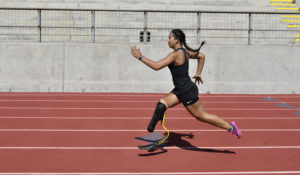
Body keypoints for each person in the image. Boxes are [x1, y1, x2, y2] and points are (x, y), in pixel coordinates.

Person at [130, 29, 241, 139]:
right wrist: (198, 73)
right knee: (161, 105)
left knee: (202, 116)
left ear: (177, 40)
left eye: (170, 38)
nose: (167, 40)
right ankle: (152, 127)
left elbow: (156, 66)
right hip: (180, 90)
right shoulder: (185, 52)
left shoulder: (175, 55)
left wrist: (140, 57)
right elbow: (201, 56)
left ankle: (231, 127)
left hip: (187, 91)